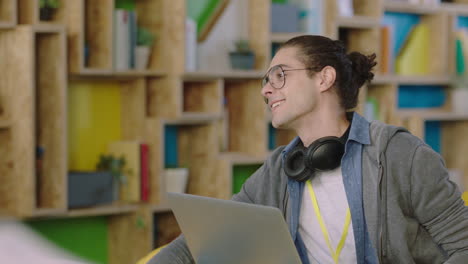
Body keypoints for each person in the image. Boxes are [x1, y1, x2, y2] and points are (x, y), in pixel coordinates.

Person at [146, 35, 468, 263]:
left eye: (279, 75)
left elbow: (463, 246)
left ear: (324, 78)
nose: (266, 89)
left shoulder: (399, 155)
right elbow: (204, 240)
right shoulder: (281, 168)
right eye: (265, 80)